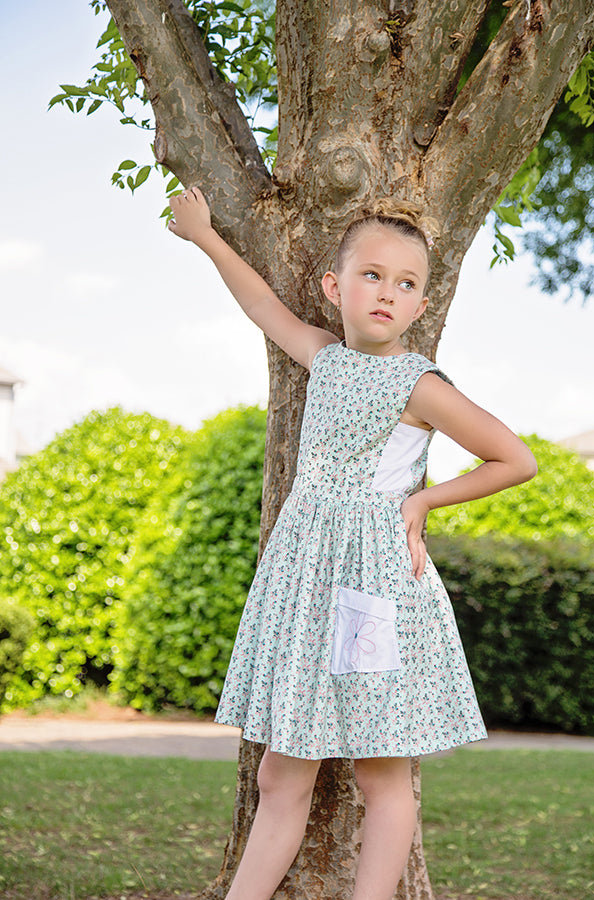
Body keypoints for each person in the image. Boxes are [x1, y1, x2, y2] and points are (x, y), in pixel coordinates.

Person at [168, 186, 537, 900]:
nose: (388, 294)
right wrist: (206, 237)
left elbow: (514, 459)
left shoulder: (417, 382)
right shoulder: (329, 361)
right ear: (335, 286)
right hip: (307, 581)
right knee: (281, 769)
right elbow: (263, 309)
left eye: (406, 284)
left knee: (381, 770)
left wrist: (425, 498)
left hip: (372, 589)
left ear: (421, 305)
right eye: (373, 275)